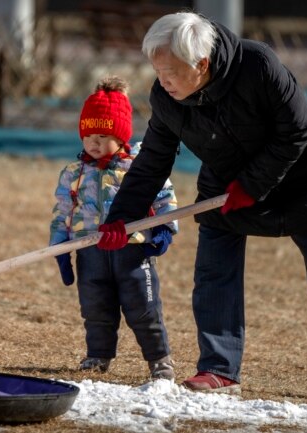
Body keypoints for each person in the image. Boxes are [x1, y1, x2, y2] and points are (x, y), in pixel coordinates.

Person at [96, 12, 307, 401]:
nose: (162, 80)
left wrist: (253, 185)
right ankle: (219, 367)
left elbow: (295, 132)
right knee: (213, 271)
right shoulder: (167, 97)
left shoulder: (258, 66)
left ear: (201, 64)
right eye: (157, 70)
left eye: (170, 71)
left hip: (304, 180)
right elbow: (154, 160)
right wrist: (122, 217)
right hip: (228, 186)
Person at [49, 76, 179, 380]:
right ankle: (98, 355)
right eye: (88, 134)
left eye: (103, 134)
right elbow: (63, 210)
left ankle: (159, 360)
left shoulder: (138, 167)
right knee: (95, 309)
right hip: (89, 251)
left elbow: (164, 197)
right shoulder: (73, 173)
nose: (94, 141)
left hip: (131, 251)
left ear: (121, 137)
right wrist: (58, 242)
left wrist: (164, 229)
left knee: (143, 308)